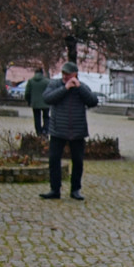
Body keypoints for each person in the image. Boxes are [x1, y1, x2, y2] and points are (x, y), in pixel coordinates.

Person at [39, 61, 98, 201]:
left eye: (68, 74)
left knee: (77, 161)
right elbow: (47, 98)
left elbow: (93, 101)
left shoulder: (82, 87)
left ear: (75, 74)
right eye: (64, 73)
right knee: (54, 160)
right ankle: (55, 189)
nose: (65, 76)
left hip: (77, 130)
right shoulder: (54, 84)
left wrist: (79, 88)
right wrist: (65, 88)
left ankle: (75, 189)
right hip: (58, 129)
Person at [24, 68, 50, 136]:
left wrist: (29, 101)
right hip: (46, 103)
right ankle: (45, 130)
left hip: (35, 103)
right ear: (42, 73)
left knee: (37, 118)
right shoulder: (47, 81)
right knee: (46, 117)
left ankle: (38, 132)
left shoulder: (31, 81)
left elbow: (27, 93)